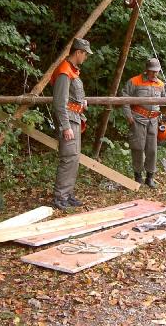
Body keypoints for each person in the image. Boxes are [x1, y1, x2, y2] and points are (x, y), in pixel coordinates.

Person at [50, 37, 92, 209]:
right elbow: (60, 102)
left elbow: (71, 96)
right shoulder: (64, 71)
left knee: (74, 158)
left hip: (75, 117)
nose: (86, 58)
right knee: (68, 158)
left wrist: (81, 102)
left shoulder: (73, 70)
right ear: (78, 52)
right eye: (85, 54)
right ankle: (60, 196)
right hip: (68, 120)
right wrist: (65, 126)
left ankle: (67, 193)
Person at [122, 58, 166, 188]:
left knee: (152, 149)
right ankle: (138, 175)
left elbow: (164, 102)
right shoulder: (134, 81)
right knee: (138, 147)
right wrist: (128, 116)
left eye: (157, 72)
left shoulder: (161, 84)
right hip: (138, 118)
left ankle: (150, 176)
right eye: (152, 72)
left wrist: (162, 116)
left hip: (153, 120)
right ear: (146, 70)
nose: (154, 74)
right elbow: (124, 99)